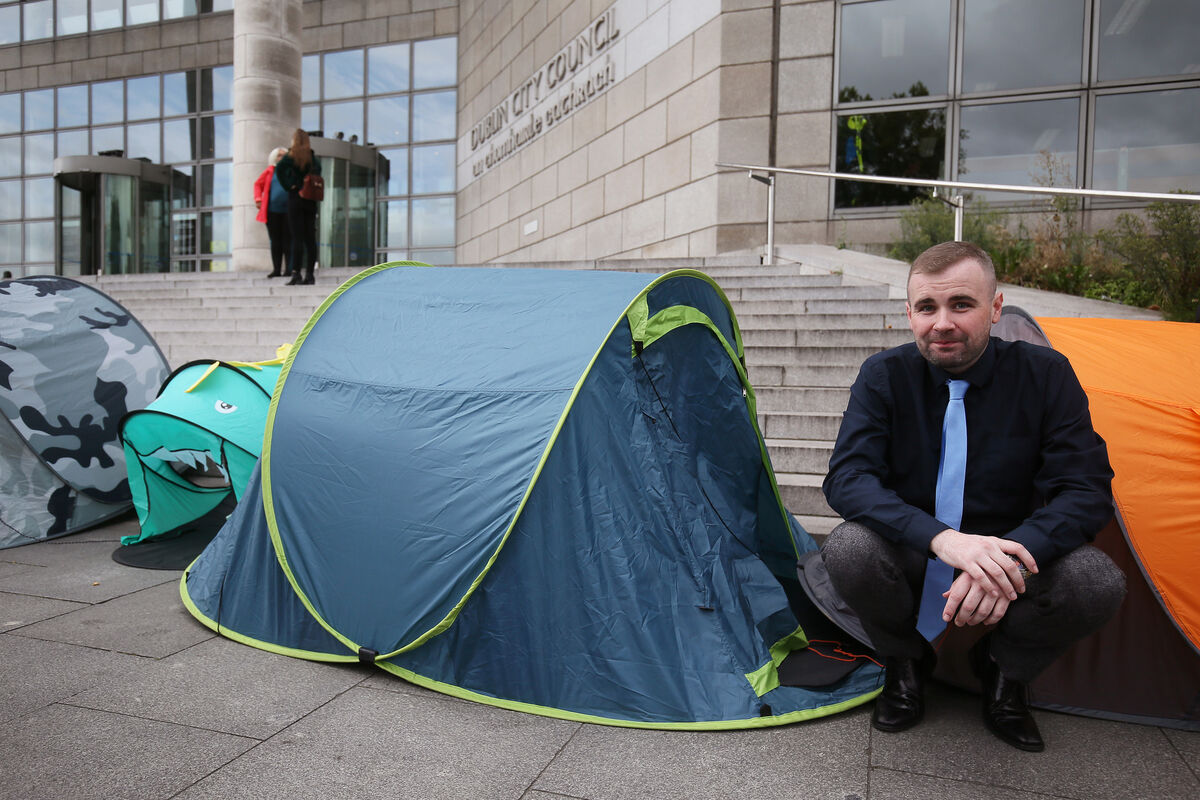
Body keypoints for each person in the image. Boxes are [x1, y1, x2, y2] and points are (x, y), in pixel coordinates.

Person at [819, 240, 1125, 752]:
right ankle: (906, 661)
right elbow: (848, 478)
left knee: (1096, 581)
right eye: (927, 307)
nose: (942, 323)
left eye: (961, 304)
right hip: (916, 549)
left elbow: (1085, 489)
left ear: (996, 308)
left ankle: (1003, 668)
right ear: (910, 314)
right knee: (849, 549)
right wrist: (942, 540)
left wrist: (1007, 561)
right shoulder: (883, 376)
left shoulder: (1047, 374)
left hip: (1012, 548)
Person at [273, 129, 322, 286]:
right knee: (310, 238)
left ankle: (296, 273)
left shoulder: (290, 156)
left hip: (295, 198)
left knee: (296, 237)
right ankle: (310, 274)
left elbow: (279, 169)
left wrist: (290, 185)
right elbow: (318, 173)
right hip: (310, 200)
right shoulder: (312, 158)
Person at [253, 147, 290, 279]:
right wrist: (258, 199)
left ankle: (289, 269)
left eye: (284, 155)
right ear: (274, 157)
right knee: (275, 241)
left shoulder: (290, 171)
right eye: (279, 155)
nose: (282, 158)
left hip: (288, 211)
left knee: (288, 241)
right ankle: (277, 269)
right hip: (272, 212)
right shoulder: (269, 171)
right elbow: (257, 185)